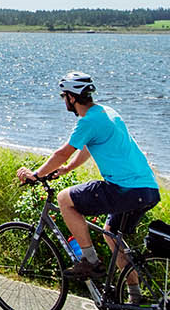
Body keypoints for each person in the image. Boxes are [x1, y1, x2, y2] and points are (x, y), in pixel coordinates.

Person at [16, 71, 160, 279]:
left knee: (64, 200)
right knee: (110, 234)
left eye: (63, 96)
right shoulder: (107, 112)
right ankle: (135, 296)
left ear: (71, 97)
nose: (64, 100)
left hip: (124, 189)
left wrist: (36, 175)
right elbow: (87, 148)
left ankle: (90, 261)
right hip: (147, 190)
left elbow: (62, 153)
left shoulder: (88, 121)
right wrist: (66, 169)